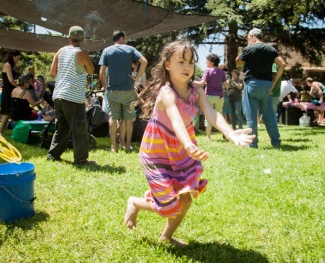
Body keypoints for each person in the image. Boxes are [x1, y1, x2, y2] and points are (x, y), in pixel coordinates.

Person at [123, 40, 254, 246]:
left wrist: (230, 133)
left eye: (191, 62)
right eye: (181, 62)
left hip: (181, 150)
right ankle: (136, 203)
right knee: (168, 203)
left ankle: (166, 236)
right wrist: (189, 145)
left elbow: (211, 113)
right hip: (156, 153)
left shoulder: (196, 91)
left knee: (185, 199)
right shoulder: (166, 93)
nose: (187, 67)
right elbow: (176, 121)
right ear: (167, 64)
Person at [47, 26, 95, 165]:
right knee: (79, 129)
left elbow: (52, 72)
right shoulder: (82, 53)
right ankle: (81, 160)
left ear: (69, 38)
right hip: (73, 96)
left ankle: (53, 156)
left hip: (58, 94)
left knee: (61, 127)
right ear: (82, 39)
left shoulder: (60, 51)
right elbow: (91, 70)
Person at [235, 28, 286, 148]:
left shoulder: (249, 48)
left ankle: (253, 144)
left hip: (252, 84)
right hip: (267, 85)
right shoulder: (270, 49)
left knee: (251, 115)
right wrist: (274, 82)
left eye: (248, 37)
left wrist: (247, 46)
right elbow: (282, 64)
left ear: (252, 36)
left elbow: (238, 62)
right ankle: (276, 142)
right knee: (269, 115)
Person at [99, 30, 148, 152]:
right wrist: (137, 77)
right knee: (128, 119)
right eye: (125, 37)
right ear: (121, 38)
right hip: (128, 90)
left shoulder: (107, 50)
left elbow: (102, 71)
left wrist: (105, 86)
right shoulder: (130, 49)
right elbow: (144, 61)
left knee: (113, 118)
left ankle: (113, 146)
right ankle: (127, 145)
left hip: (113, 90)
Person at [193, 54, 226, 141]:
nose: (206, 62)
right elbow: (226, 85)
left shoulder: (207, 71)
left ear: (212, 62)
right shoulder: (222, 72)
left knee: (208, 116)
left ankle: (208, 137)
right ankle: (225, 133)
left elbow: (201, 83)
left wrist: (191, 81)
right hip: (219, 96)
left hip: (209, 96)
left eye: (207, 61)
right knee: (220, 115)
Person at [0, 50, 21, 135]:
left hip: (12, 91)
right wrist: (18, 87)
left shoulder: (11, 66)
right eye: (17, 58)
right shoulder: (7, 65)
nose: (18, 60)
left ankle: (16, 130)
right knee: (7, 113)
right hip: (8, 91)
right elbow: (11, 80)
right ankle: (1, 131)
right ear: (12, 56)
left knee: (11, 112)